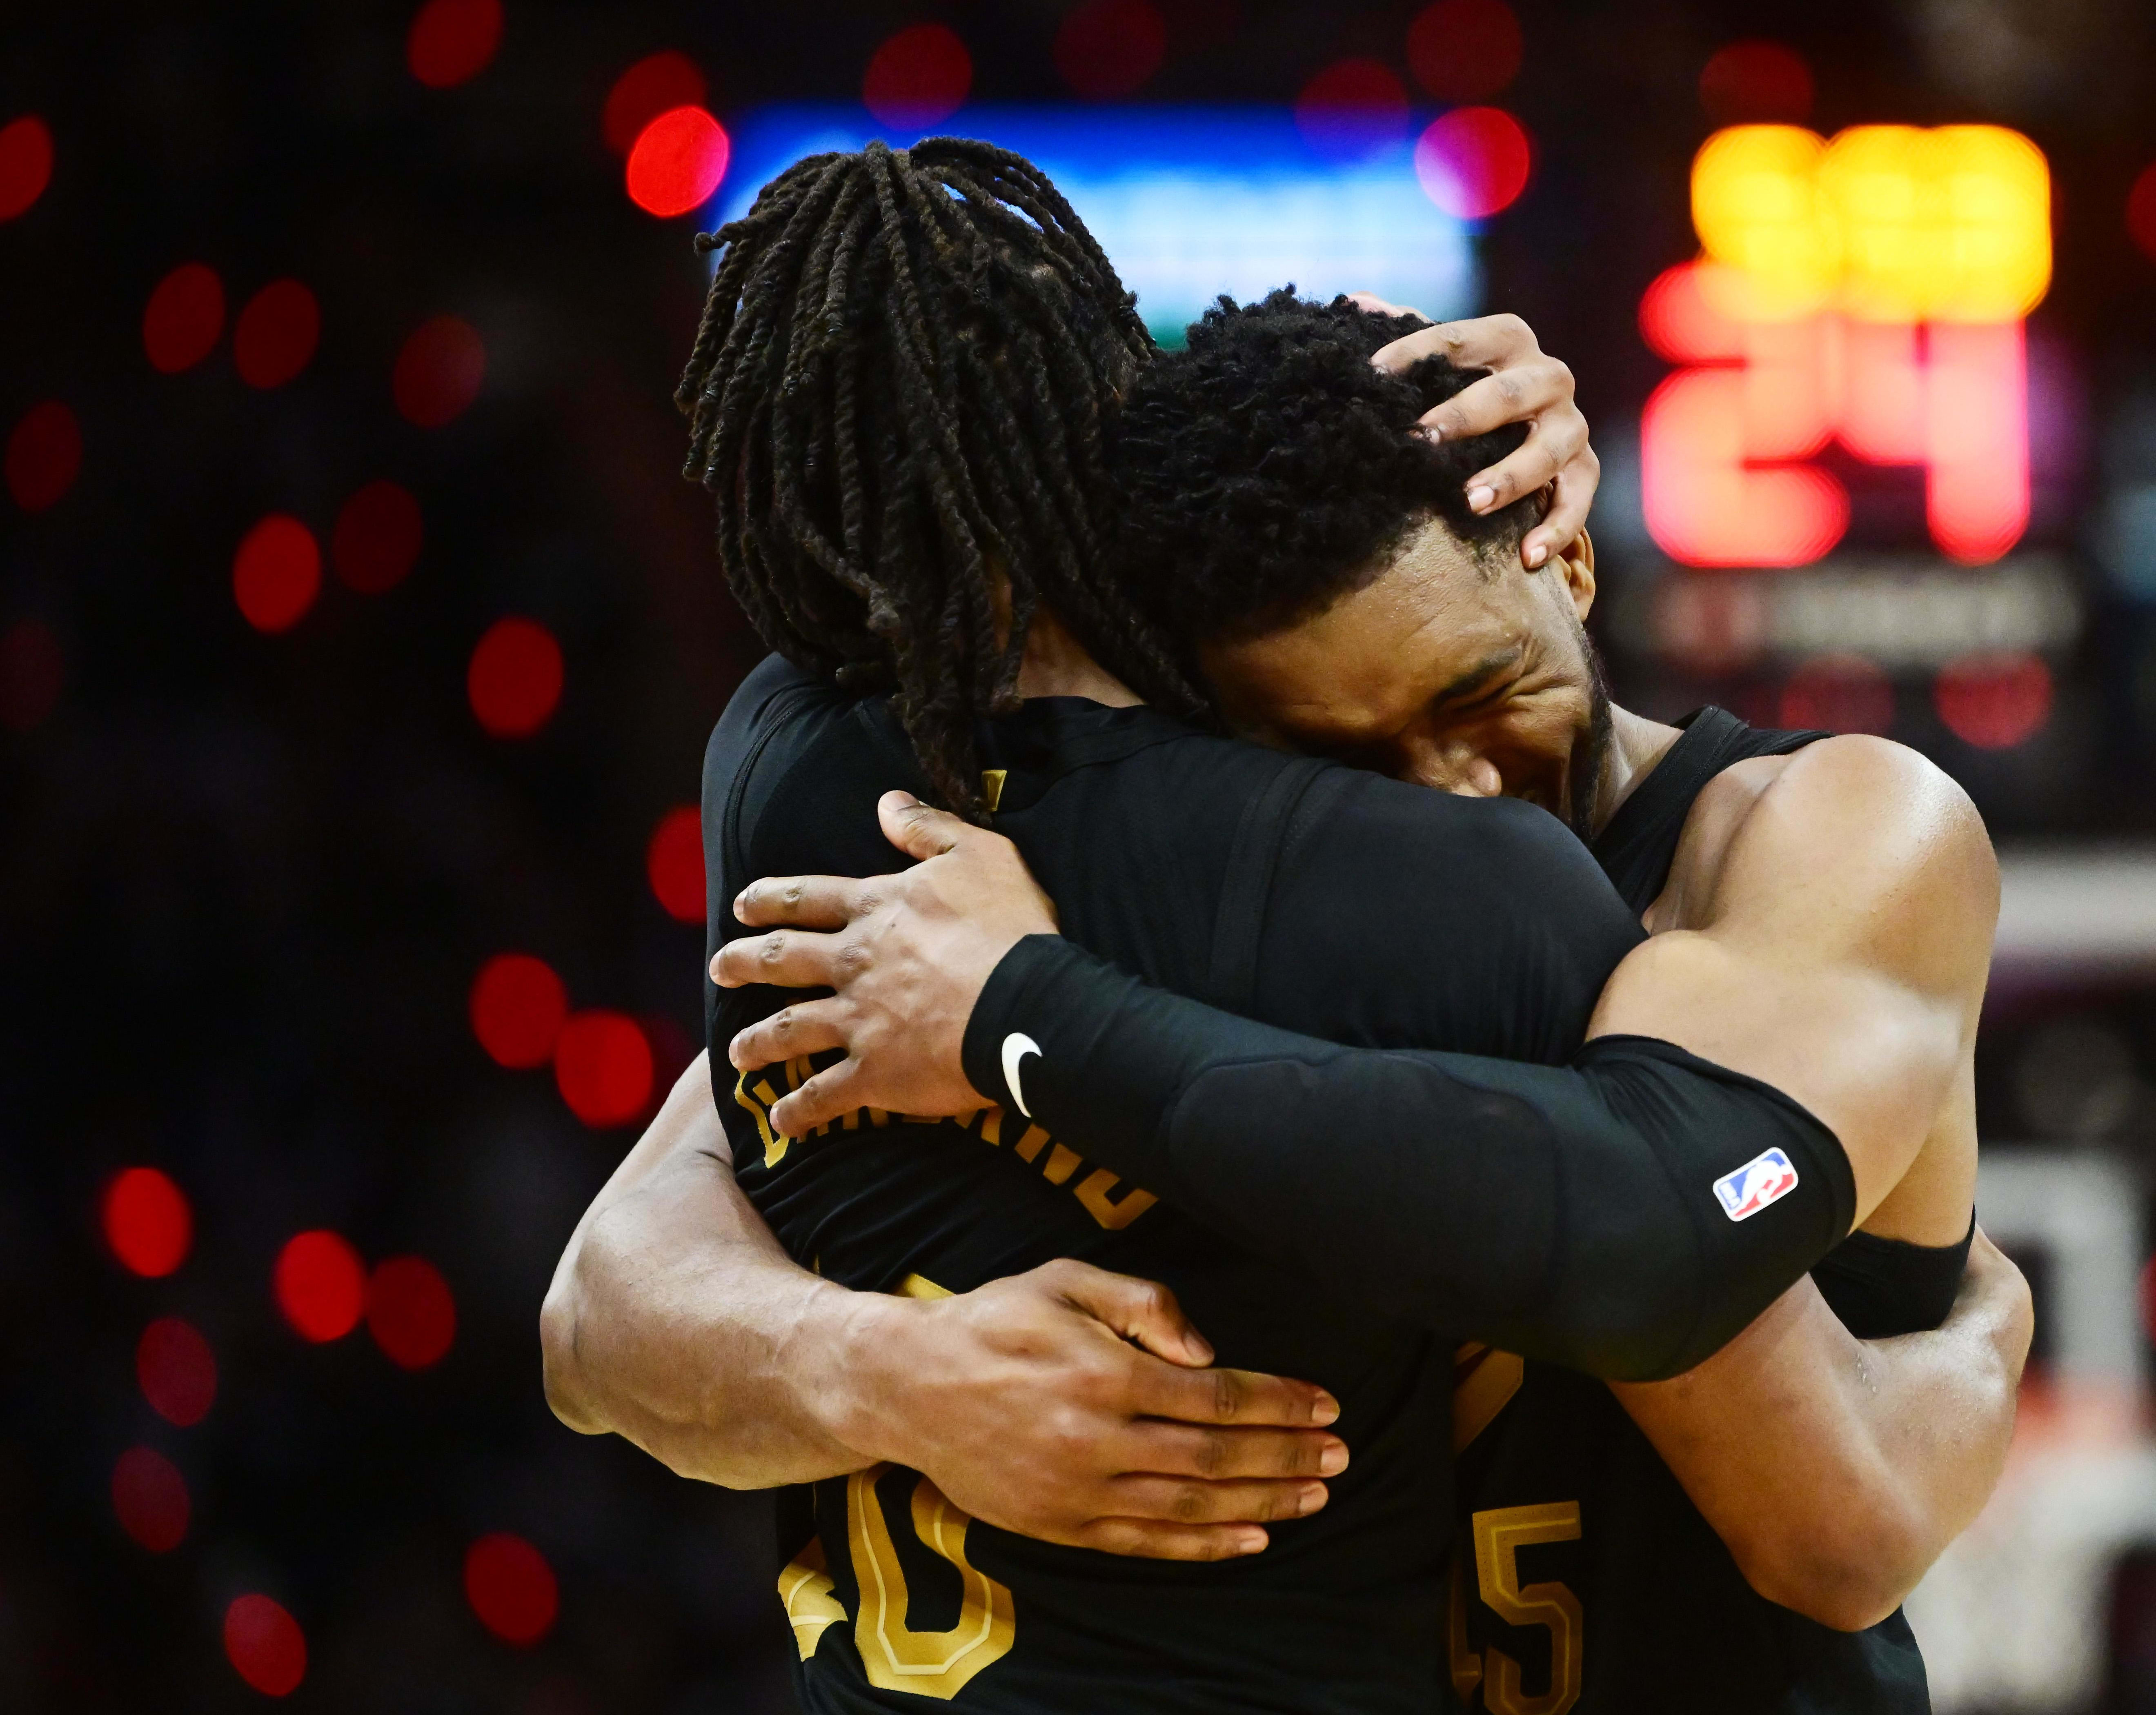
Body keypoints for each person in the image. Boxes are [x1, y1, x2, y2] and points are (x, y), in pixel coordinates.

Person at [538, 142, 2027, 1713]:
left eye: (1479, 695)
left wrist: (1035, 1020)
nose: (1451, 792)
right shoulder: (1232, 867)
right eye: (1350, 755)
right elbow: (608, 1292)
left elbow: (1828, 1511)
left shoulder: (1833, 833)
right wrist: (891, 1372)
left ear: (1565, 553)